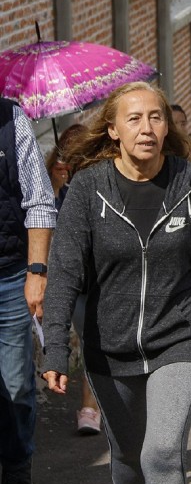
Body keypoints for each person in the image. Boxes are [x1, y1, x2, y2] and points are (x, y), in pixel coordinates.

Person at [42, 83, 191, 484]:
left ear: (167, 127)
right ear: (114, 130)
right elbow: (64, 272)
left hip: (179, 337)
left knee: (162, 454)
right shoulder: (88, 188)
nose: (147, 127)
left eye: (156, 117)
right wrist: (55, 349)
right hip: (109, 344)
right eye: (134, 118)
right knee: (130, 458)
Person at [0, 97, 57, 484]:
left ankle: (18, 468)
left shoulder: (10, 119)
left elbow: (38, 201)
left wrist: (37, 271)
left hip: (9, 275)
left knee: (17, 383)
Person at [46, 123, 103, 436]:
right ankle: (91, 406)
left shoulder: (98, 181)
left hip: (96, 280)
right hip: (65, 281)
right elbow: (43, 225)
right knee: (86, 341)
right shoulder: (52, 183)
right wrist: (54, 186)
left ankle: (91, 406)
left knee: (91, 342)